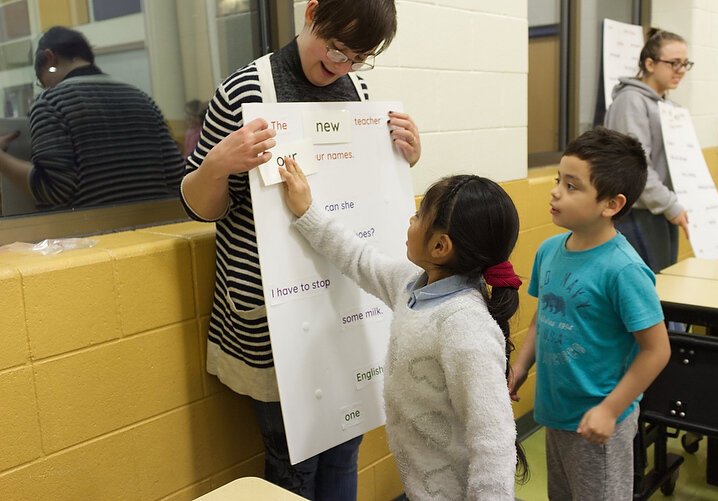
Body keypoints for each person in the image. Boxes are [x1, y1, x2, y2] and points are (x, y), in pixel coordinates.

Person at [179, 1, 421, 498]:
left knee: (346, 450)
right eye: (336, 48)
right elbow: (200, 209)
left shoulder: (358, 92)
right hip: (273, 315)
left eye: (358, 58)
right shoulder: (245, 91)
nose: (341, 66)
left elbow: (367, 194)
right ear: (311, 12)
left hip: (344, 303)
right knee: (294, 466)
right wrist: (218, 164)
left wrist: (405, 159)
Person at [280, 157, 526, 500]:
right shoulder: (411, 285)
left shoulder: (465, 326)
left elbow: (494, 442)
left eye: (419, 215)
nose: (411, 219)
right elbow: (359, 259)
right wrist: (308, 212)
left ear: (440, 247)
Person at [509, 127, 671, 500]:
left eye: (572, 186)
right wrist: (520, 367)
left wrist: (610, 410)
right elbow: (540, 321)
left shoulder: (624, 269)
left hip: (598, 424)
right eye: (557, 180)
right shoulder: (549, 250)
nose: (555, 192)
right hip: (556, 413)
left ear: (611, 204)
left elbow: (656, 349)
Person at [0, 26, 184, 210]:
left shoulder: (51, 103)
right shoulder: (142, 99)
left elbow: (53, 190)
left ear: (50, 58)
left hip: (90, 227)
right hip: (154, 224)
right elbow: (177, 177)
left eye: (42, 81)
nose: (46, 88)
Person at [603, 28, 692, 273]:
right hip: (638, 213)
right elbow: (636, 167)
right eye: (674, 63)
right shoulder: (631, 101)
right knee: (649, 283)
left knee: (666, 280)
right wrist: (671, 205)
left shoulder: (670, 107)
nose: (681, 70)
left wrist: (706, 201)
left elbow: (683, 167)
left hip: (662, 209)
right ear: (650, 64)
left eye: (685, 63)